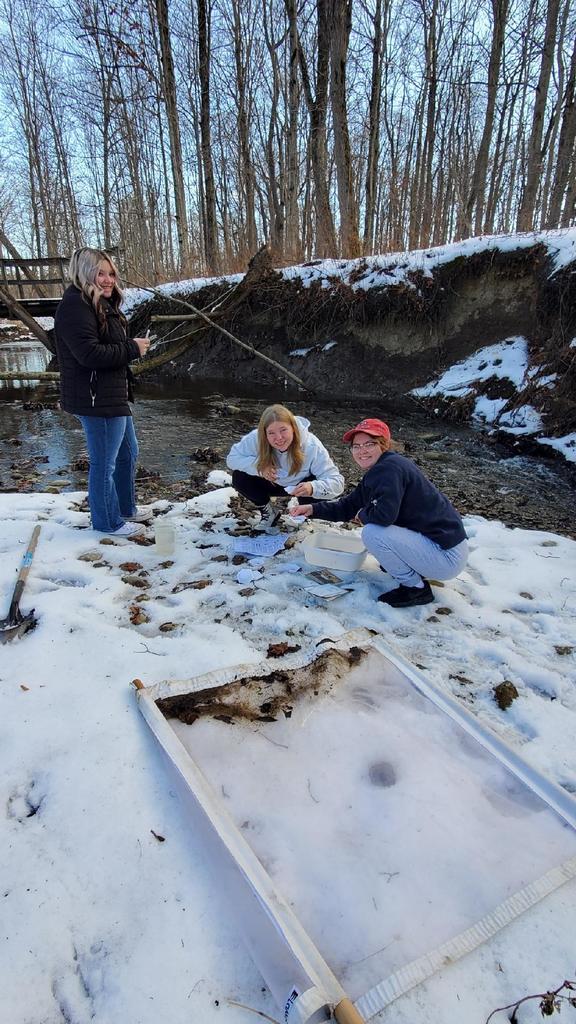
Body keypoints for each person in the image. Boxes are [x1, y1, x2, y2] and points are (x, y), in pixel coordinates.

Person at [292, 417, 468, 608]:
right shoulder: (383, 468)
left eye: (369, 444)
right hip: (443, 547)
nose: (362, 451)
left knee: (373, 532)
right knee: (377, 529)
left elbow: (384, 517)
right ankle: (411, 568)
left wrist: (363, 515)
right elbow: (348, 505)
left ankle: (415, 588)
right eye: (356, 446)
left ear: (384, 445)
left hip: (446, 557)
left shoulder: (388, 470)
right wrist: (311, 509)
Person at [54, 247, 151, 536]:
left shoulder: (100, 303)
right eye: (101, 273)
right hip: (95, 398)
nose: (109, 280)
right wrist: (132, 348)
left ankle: (124, 508)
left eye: (111, 274)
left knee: (128, 452)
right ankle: (107, 522)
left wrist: (129, 348)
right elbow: (90, 355)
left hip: (112, 394)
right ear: (85, 273)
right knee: (104, 464)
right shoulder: (75, 306)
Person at [226, 404, 344, 529]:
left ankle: (306, 514)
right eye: (271, 433)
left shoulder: (311, 446)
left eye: (283, 430)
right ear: (264, 434)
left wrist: (313, 488)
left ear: (293, 428)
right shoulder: (255, 438)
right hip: (272, 482)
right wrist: (260, 467)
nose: (279, 438)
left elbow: (338, 483)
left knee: (316, 482)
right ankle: (269, 512)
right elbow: (232, 458)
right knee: (239, 477)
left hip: (301, 487)